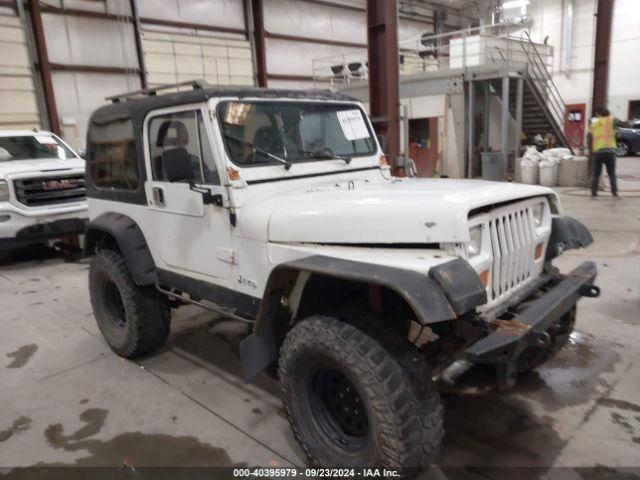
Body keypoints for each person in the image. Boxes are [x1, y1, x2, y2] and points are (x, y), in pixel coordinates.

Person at [588, 107, 620, 198]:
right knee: (612, 174)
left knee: (596, 174)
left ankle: (593, 193)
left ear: (598, 114)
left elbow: (589, 137)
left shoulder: (594, 124)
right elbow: (624, 123)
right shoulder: (612, 120)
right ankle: (614, 193)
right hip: (610, 152)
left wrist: (591, 150)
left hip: (597, 152)